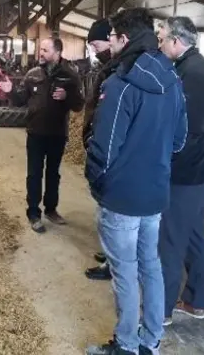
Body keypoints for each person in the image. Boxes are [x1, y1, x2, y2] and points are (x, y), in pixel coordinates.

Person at [85, 8, 187, 355]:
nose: (108, 44)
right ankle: (151, 341)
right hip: (155, 193)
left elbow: (105, 147)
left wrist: (96, 181)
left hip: (123, 198)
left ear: (123, 39)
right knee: (151, 267)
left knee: (125, 273)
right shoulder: (172, 78)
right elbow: (179, 141)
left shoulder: (120, 83)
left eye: (110, 37)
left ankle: (127, 345)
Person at [157, 17, 204, 326]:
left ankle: (160, 311)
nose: (159, 45)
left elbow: (192, 129)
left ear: (176, 41)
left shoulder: (193, 73)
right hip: (200, 168)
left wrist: (167, 160)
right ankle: (196, 300)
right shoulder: (193, 67)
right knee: (193, 236)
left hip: (189, 171)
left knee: (171, 239)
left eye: (162, 39)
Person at [18, 37, 84, 233]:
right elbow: (21, 98)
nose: (41, 53)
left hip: (57, 134)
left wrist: (67, 97)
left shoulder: (70, 76)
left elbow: (79, 104)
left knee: (53, 174)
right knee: (34, 174)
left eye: (45, 50)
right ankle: (33, 213)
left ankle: (51, 209)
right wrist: (9, 91)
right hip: (35, 133)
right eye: (41, 49)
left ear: (57, 52)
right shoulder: (32, 75)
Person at [82, 18, 117, 282]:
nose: (94, 49)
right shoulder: (106, 67)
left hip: (109, 151)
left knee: (110, 210)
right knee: (103, 208)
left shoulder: (118, 70)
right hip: (99, 142)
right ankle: (108, 254)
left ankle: (112, 263)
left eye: (96, 43)